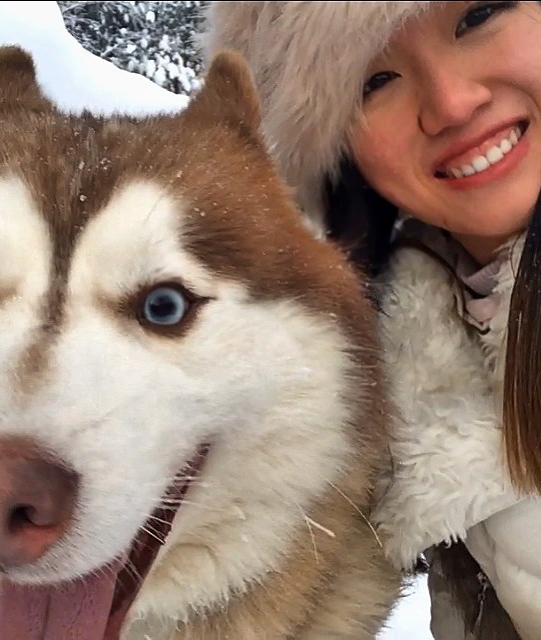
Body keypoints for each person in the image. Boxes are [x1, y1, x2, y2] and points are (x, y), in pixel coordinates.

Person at [203, 2, 541, 639]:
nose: (451, 103)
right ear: (338, 160)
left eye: (477, 16)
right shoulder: (401, 364)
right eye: (374, 81)